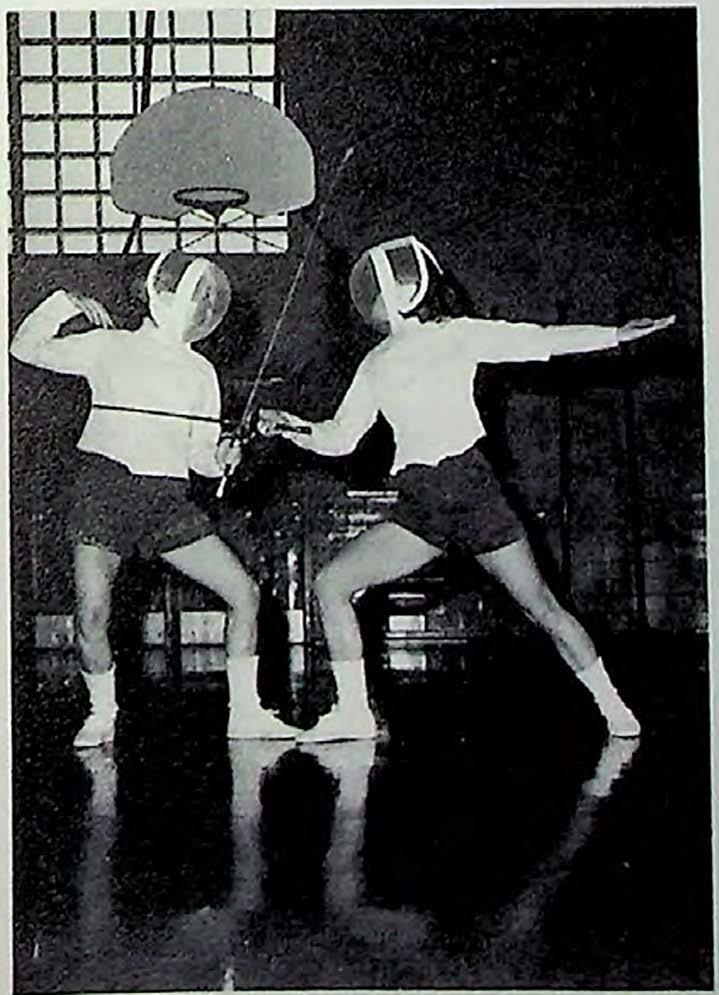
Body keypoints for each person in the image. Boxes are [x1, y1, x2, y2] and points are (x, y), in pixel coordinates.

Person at [259, 234, 676, 743]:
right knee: (331, 584)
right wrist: (289, 426)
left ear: (412, 287)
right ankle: (353, 714)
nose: (380, 295)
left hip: (471, 491)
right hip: (420, 503)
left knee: (541, 606)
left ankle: (615, 711)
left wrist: (614, 335)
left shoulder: (458, 334)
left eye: (390, 283)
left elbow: (540, 341)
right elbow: (341, 438)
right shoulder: (376, 363)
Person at [11, 250, 298, 747]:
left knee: (244, 594)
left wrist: (223, 458)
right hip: (104, 491)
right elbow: (24, 347)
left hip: (167, 500)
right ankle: (102, 714)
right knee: (92, 615)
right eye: (193, 294)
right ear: (161, 293)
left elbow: (201, 459)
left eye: (206, 298)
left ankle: (247, 715)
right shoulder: (108, 345)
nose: (201, 306)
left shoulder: (201, 372)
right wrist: (64, 302)